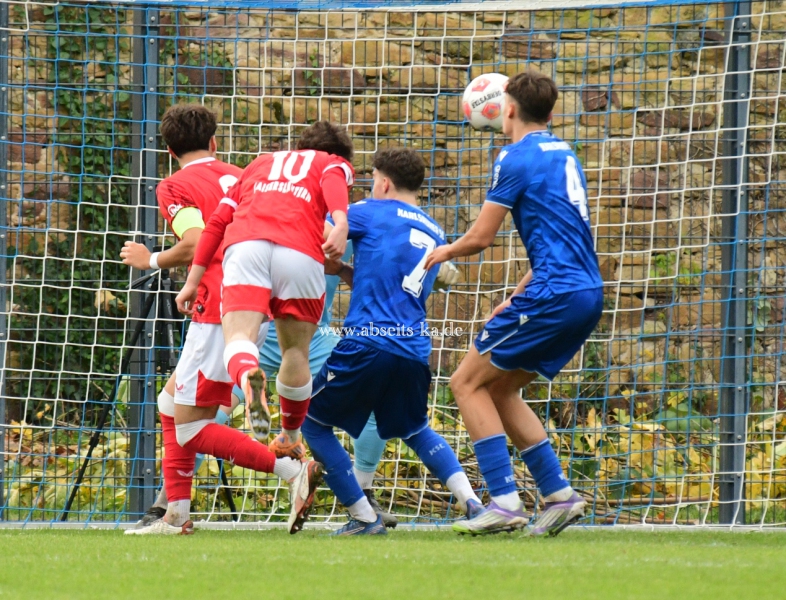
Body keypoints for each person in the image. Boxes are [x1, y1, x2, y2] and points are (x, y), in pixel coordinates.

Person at [121, 104, 316, 535]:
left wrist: (150, 258)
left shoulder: (175, 185)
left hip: (216, 307)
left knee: (191, 428)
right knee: (169, 404)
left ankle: (291, 471)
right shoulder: (243, 174)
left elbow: (193, 241)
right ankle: (176, 515)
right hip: (253, 297)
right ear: (214, 142)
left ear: (169, 150)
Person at [424, 71, 604, 536]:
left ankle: (504, 501)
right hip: (583, 292)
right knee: (500, 388)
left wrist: (441, 251)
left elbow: (481, 237)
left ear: (507, 109)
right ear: (551, 112)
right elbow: (561, 239)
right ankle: (559, 494)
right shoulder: (565, 152)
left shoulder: (514, 158)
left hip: (555, 292)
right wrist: (515, 297)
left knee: (464, 382)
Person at [176, 121, 354, 533]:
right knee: (296, 352)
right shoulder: (330, 163)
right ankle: (290, 435)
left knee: (239, 337)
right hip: (301, 251)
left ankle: (249, 376)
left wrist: (191, 280)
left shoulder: (258, 165)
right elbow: (333, 180)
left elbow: (216, 226)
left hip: (247, 246)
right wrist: (340, 222)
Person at [301, 147, 483, 535]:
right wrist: (348, 270)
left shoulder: (369, 210)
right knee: (416, 428)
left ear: (383, 182)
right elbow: (389, 280)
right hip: (414, 347)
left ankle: (363, 516)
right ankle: (473, 503)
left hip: (368, 343)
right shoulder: (435, 230)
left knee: (311, 423)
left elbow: (321, 231)